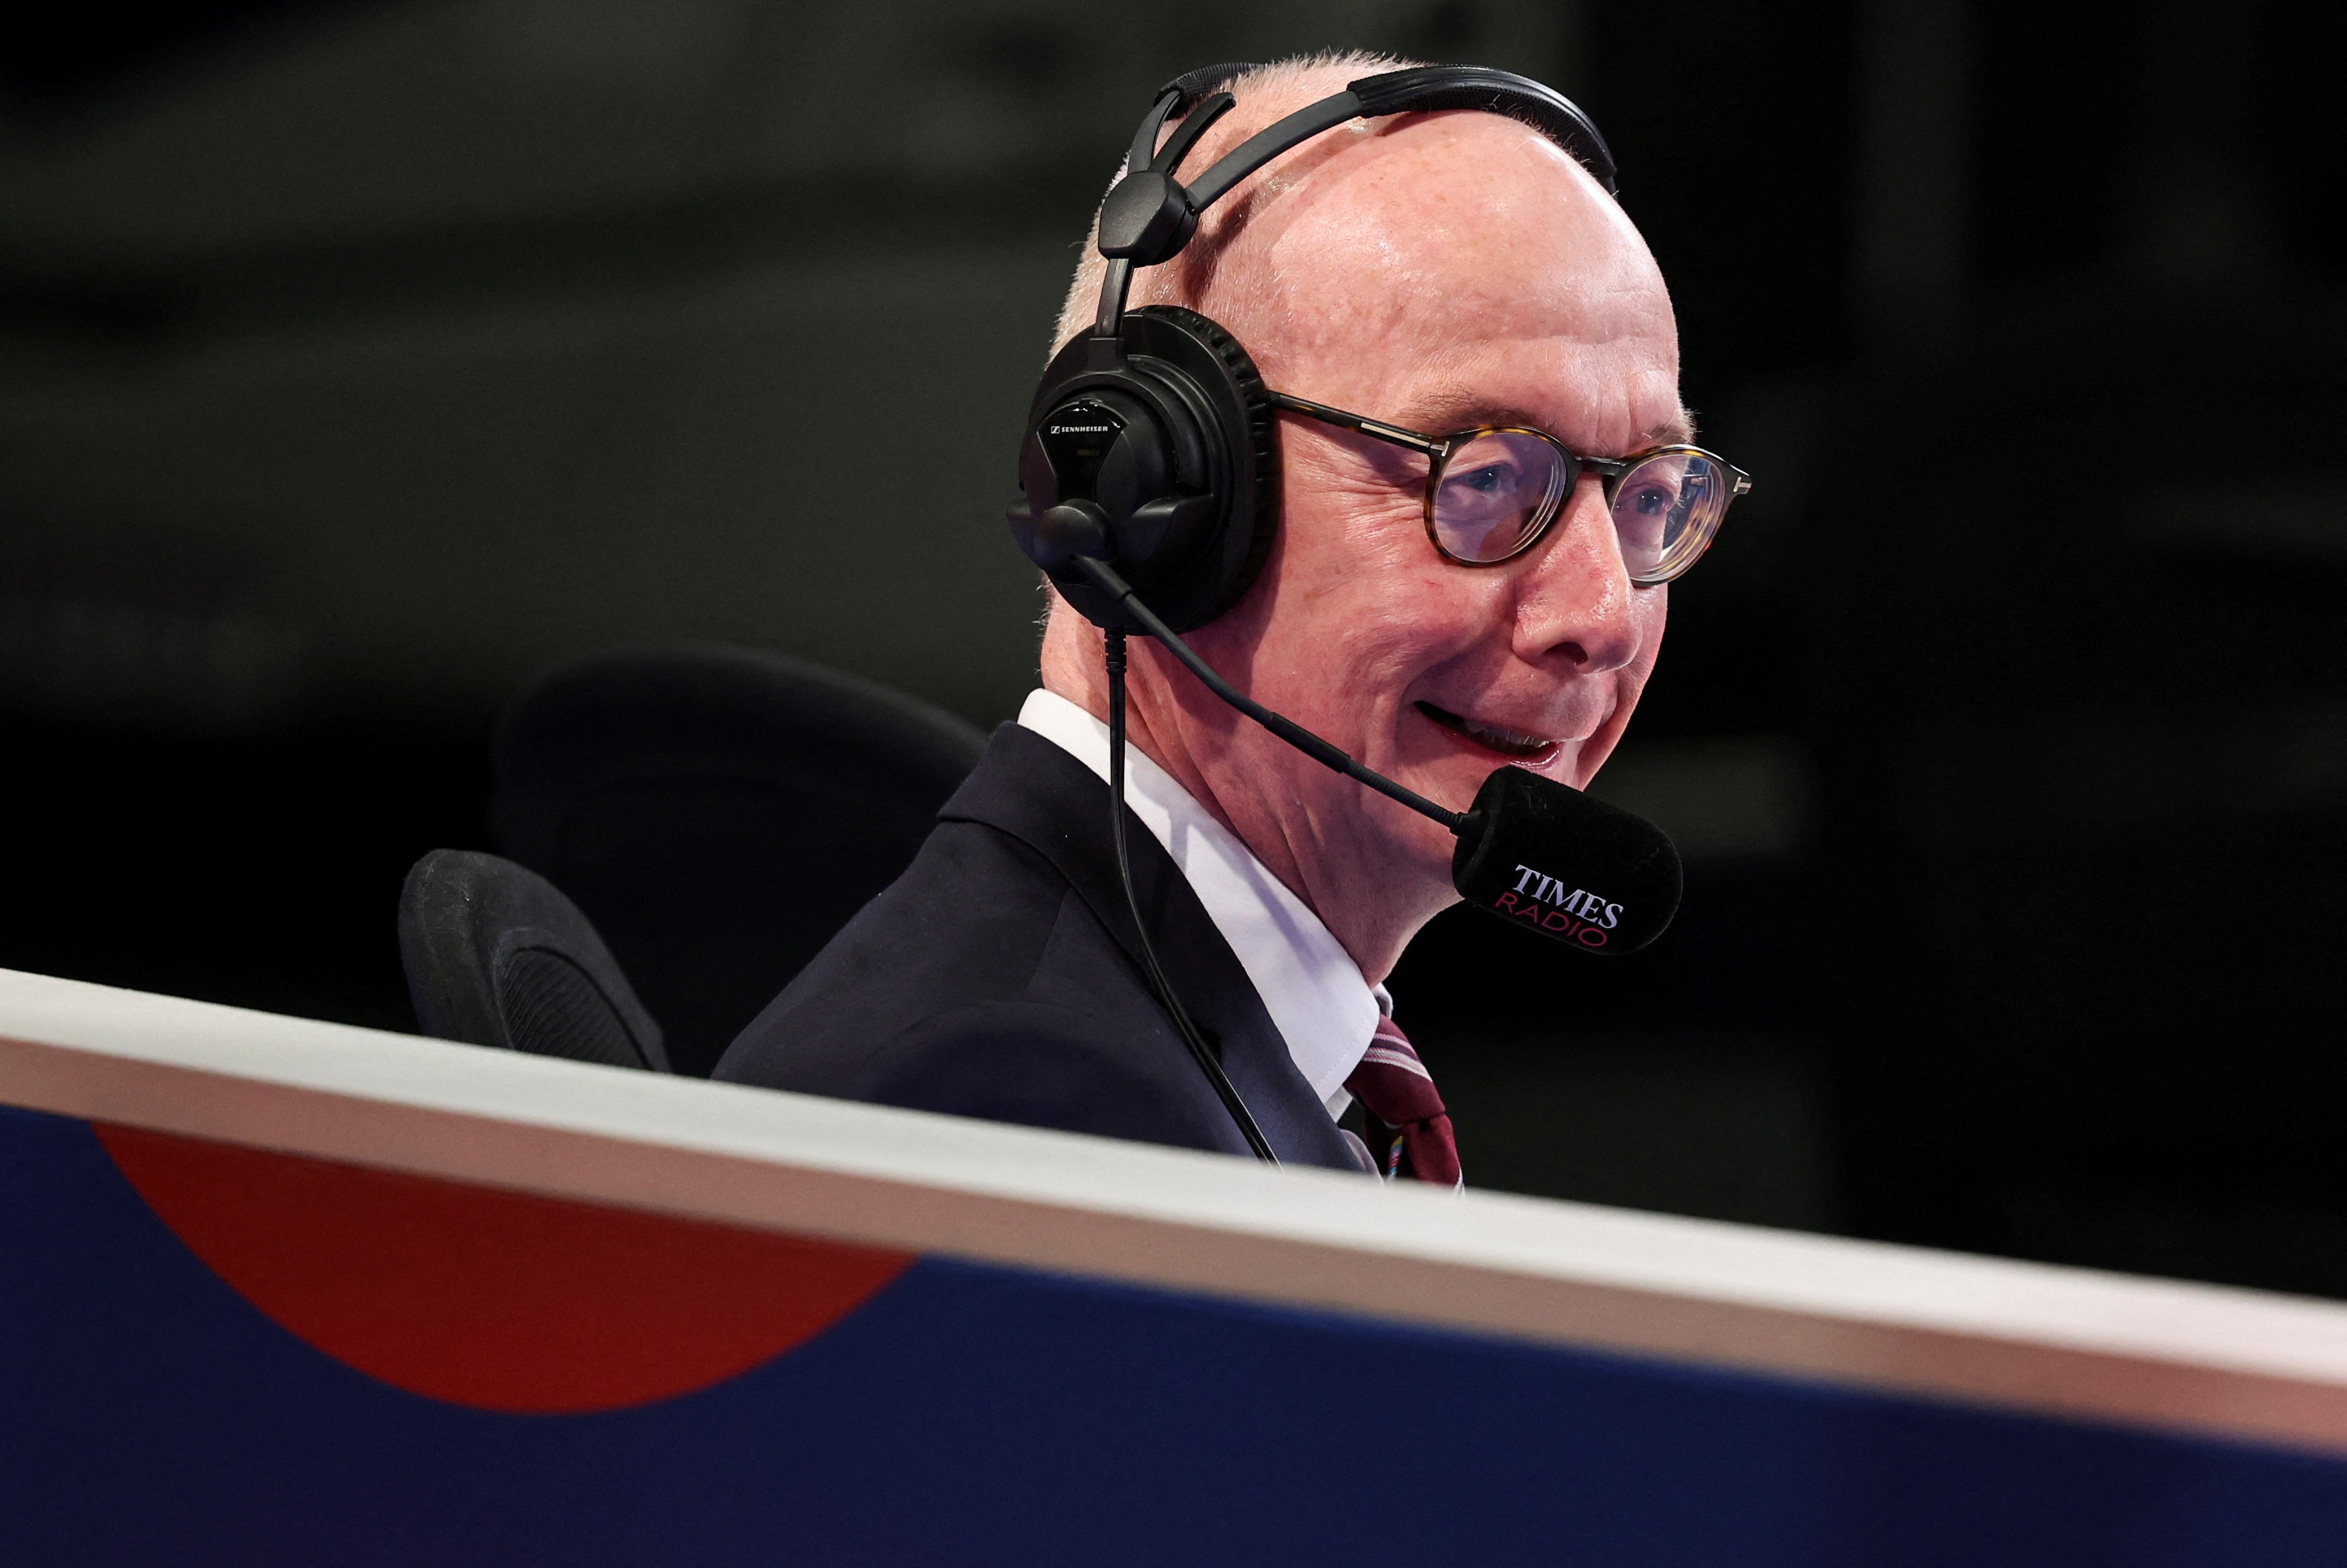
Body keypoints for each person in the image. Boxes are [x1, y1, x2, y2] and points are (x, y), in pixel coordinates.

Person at [715, 54, 1735, 1184]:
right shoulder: (1019, 1109)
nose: (1599, 612)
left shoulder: (1219, 1058)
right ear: (1160, 507)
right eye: (1485, 479)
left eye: (1648, 496)